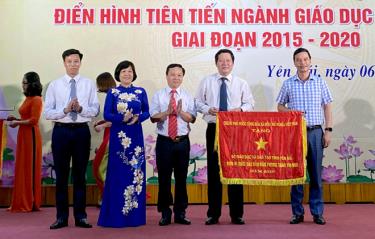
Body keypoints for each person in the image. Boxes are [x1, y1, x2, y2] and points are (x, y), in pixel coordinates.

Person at [195, 49, 255, 225]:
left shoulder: (241, 83)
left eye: (228, 61)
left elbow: (250, 103)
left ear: (233, 63)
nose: (225, 64)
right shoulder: (207, 81)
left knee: (235, 170)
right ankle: (213, 213)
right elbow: (197, 102)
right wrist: (207, 109)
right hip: (214, 128)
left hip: (235, 130)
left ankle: (237, 214)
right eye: (221, 61)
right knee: (214, 172)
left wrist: (240, 110)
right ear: (216, 63)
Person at [276, 47, 333, 225]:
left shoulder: (320, 82)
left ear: (310, 61)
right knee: (297, 174)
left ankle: (317, 213)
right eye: (299, 60)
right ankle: (297, 213)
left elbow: (328, 106)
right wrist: (291, 111)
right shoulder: (288, 83)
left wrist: (328, 130)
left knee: (315, 174)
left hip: (316, 132)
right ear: (294, 62)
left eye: (305, 59)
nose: (303, 63)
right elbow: (280, 106)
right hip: (295, 134)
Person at [44, 49, 100, 229]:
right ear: (64, 63)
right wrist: (66, 110)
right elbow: (47, 113)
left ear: (80, 63)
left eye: (76, 61)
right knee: (61, 176)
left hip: (82, 132)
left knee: (79, 175)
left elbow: (95, 109)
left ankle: (80, 216)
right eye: (69, 61)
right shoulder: (54, 85)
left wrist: (81, 109)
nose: (73, 64)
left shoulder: (89, 84)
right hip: (61, 131)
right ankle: (61, 217)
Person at [97, 60, 150, 228]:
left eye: (130, 71)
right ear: (118, 74)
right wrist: (122, 118)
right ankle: (115, 216)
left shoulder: (141, 91)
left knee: (135, 175)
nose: (127, 74)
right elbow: (107, 113)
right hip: (119, 137)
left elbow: (147, 111)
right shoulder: (113, 92)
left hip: (135, 137)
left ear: (134, 73)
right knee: (118, 175)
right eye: (123, 71)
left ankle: (134, 217)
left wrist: (138, 117)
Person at [150, 64, 196, 226]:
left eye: (179, 75)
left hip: (182, 142)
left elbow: (192, 118)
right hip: (164, 142)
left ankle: (180, 212)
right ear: (166, 76)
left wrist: (180, 112)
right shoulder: (159, 95)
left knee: (182, 179)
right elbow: (154, 117)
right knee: (164, 179)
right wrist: (167, 113)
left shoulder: (188, 96)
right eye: (172, 74)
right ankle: (165, 213)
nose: (176, 78)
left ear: (183, 77)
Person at [8, 72, 43, 212]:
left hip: (32, 136)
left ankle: (31, 201)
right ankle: (22, 199)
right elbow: (26, 117)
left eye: (25, 82)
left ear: (32, 84)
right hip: (23, 135)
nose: (23, 85)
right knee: (23, 166)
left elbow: (34, 120)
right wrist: (15, 118)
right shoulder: (28, 98)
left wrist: (18, 122)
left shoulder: (36, 99)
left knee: (30, 166)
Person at [92, 72, 116, 206]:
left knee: (99, 167)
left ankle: (107, 196)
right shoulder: (111, 95)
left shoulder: (112, 96)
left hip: (111, 136)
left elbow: (118, 120)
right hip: (108, 134)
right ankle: (106, 196)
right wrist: (102, 122)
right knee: (104, 167)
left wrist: (103, 125)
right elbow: (111, 117)